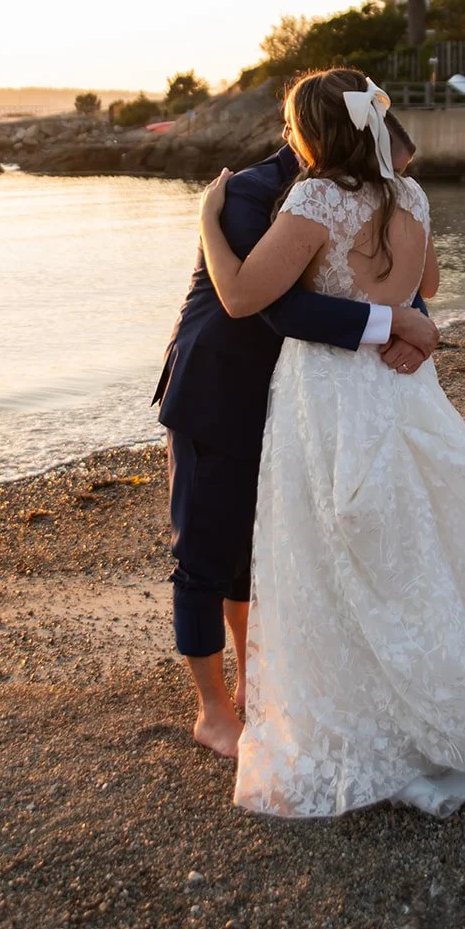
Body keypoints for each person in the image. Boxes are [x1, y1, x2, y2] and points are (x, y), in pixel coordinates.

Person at [199, 69, 465, 817]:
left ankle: (363, 712)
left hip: (328, 391)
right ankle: (432, 695)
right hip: (403, 387)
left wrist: (207, 221)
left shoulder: (313, 198)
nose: (289, 141)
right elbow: (430, 283)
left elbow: (242, 296)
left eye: (293, 128)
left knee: (330, 547)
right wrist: (403, 315)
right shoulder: (410, 196)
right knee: (410, 543)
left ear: (315, 132)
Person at [153, 108, 437, 758]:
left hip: (293, 400)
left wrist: (411, 326)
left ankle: (254, 679)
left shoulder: (352, 193)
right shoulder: (250, 193)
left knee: (258, 554)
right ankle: (212, 712)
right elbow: (273, 306)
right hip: (217, 392)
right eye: (378, 160)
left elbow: (386, 278)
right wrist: (394, 322)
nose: (383, 177)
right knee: (202, 557)